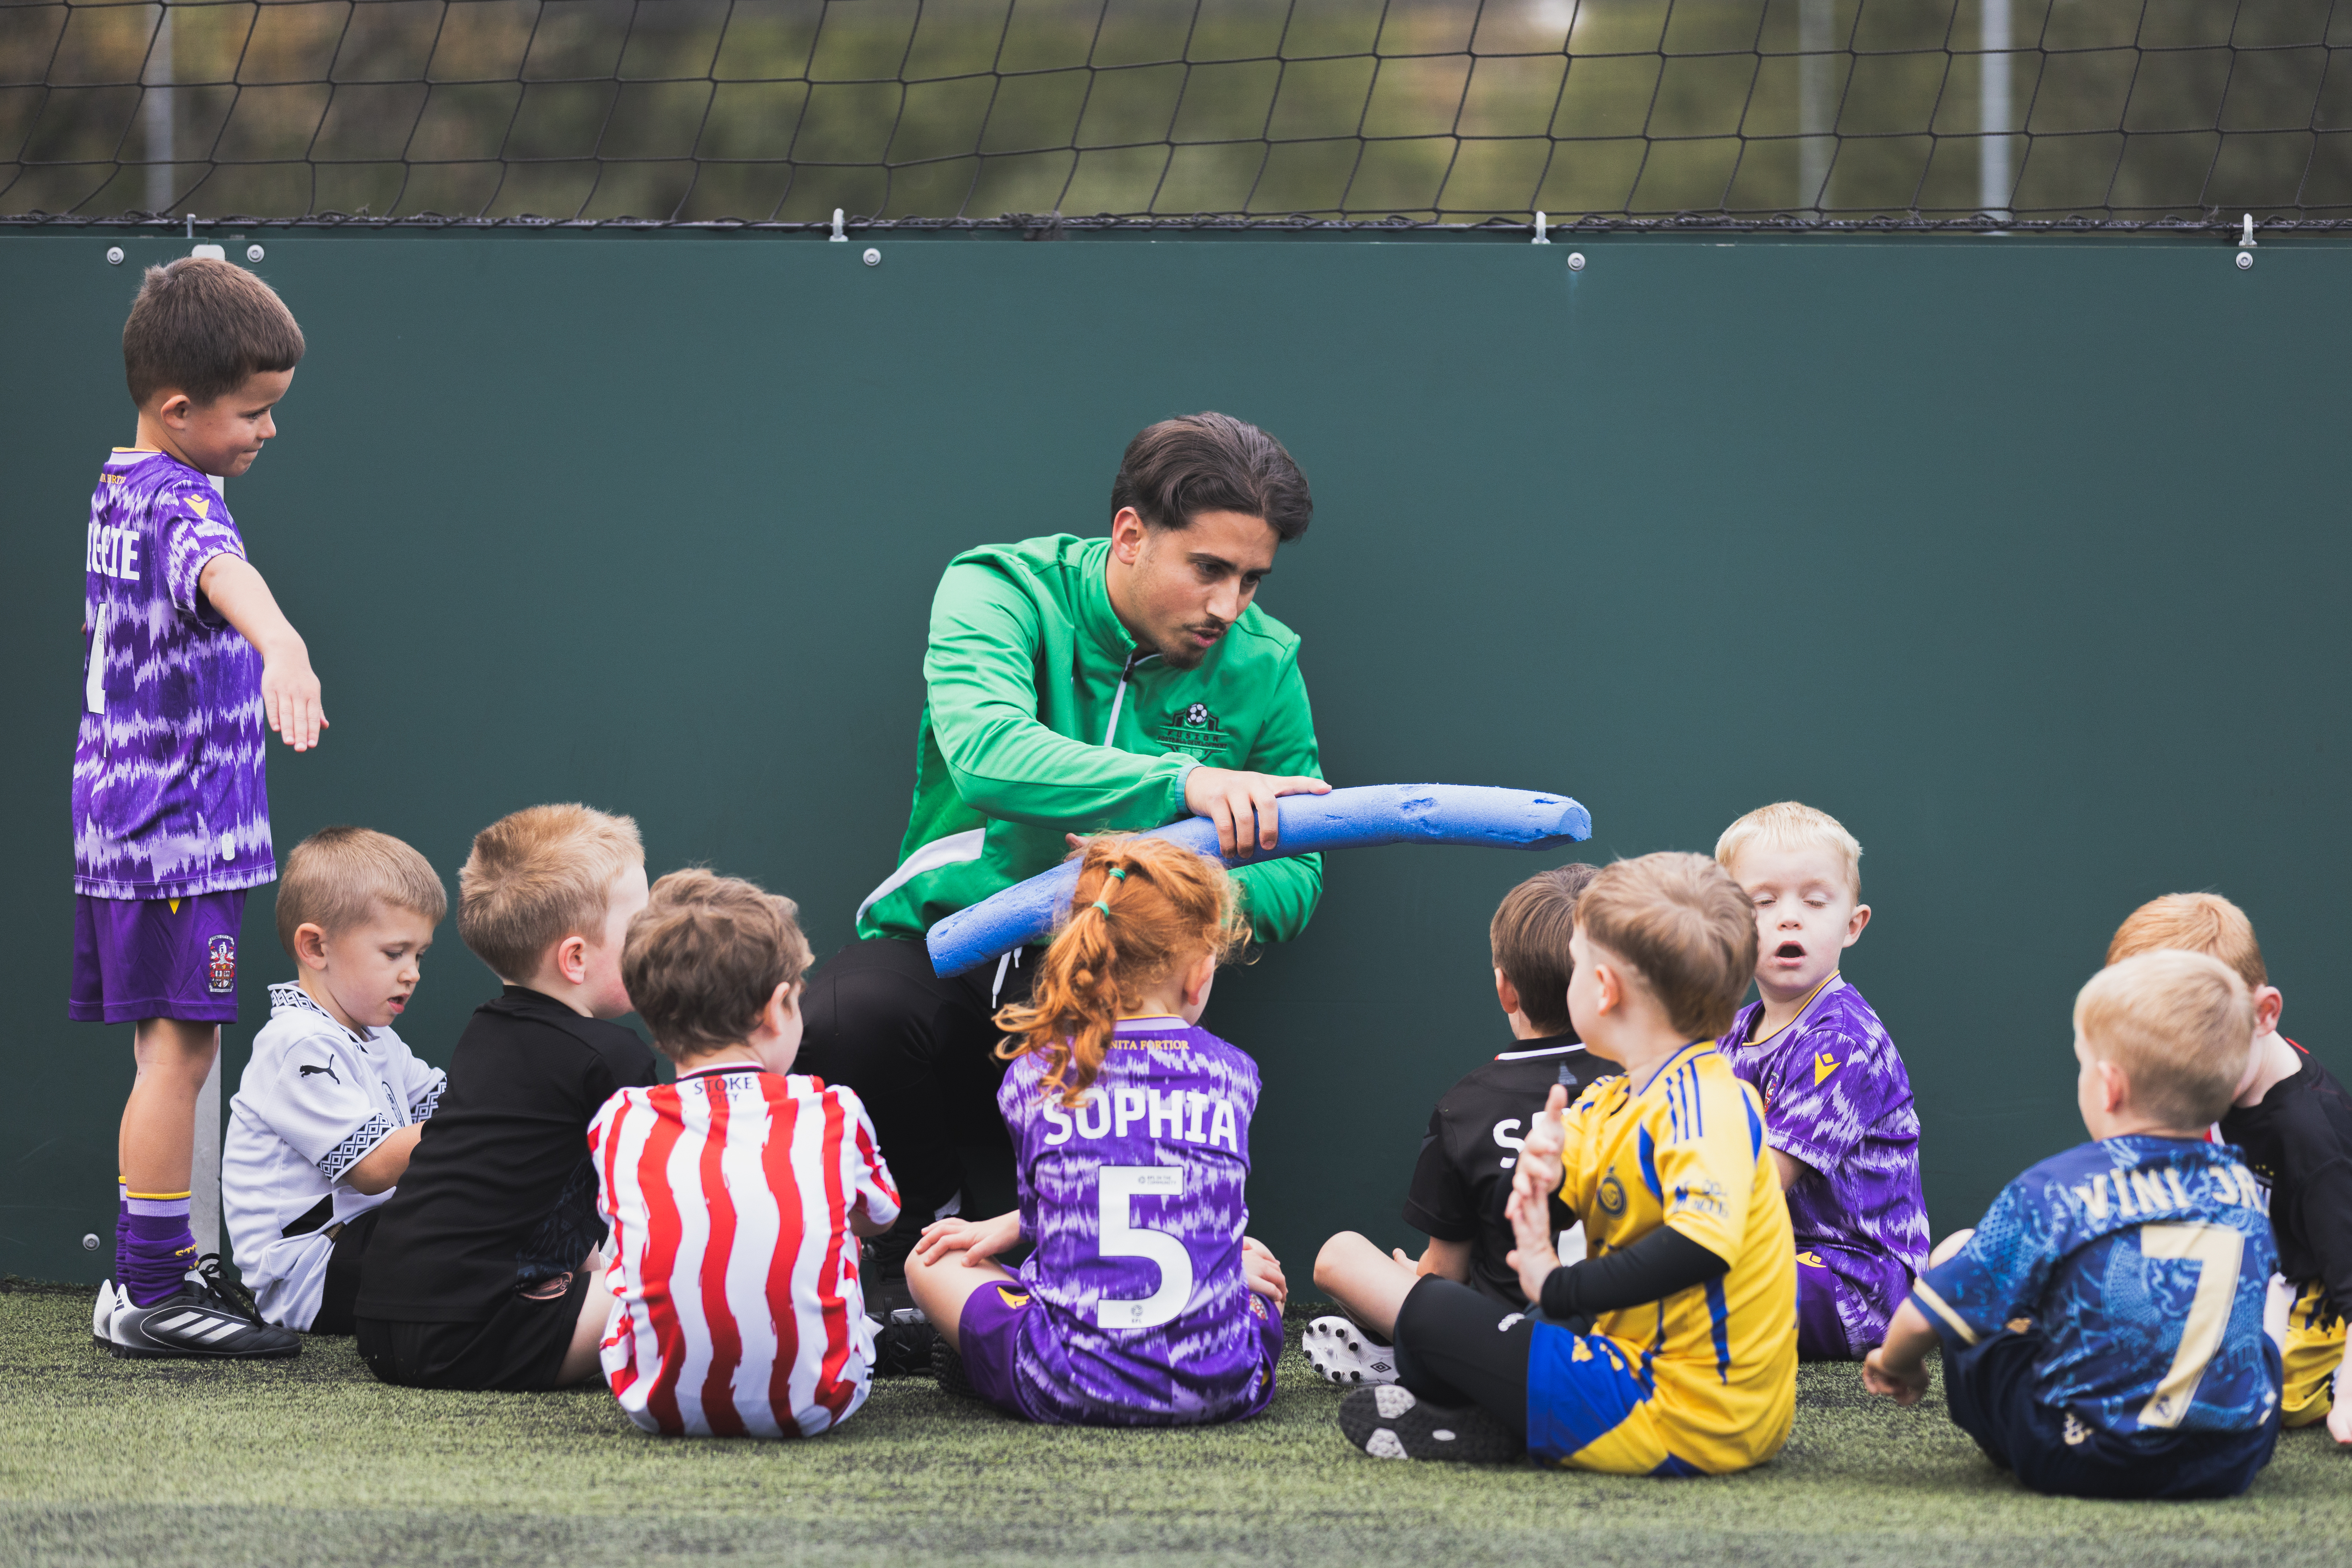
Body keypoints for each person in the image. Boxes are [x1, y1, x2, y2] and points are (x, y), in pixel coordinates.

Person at [799, 413, 1333, 1288]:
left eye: (1252, 580)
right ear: (1130, 534)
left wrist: (1164, 887)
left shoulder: (1265, 664)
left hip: (1124, 994)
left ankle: (1059, 1262)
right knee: (846, 1018)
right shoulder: (1000, 588)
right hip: (954, 951)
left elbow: (1299, 871)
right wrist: (1180, 789)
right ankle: (916, 1250)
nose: (1228, 609)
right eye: (1209, 569)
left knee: (1100, 1236)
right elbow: (987, 752)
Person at [1339, 852, 1797, 1474]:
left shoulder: (1705, 1100)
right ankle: (1498, 1421)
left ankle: (1504, 1414)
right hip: (1636, 1375)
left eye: (1578, 965)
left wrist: (1559, 1285)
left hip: (1690, 1418)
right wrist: (1538, 1183)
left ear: (1603, 990)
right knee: (1464, 1320)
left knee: (1432, 1311)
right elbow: (1543, 1208)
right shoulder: (1610, 1099)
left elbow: (1702, 1244)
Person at [79, 256, 323, 1360]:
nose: (268, 431)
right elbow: (228, 576)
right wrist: (284, 643)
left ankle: (153, 1270)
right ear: (178, 412)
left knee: (164, 1054)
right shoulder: (181, 504)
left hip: (133, 825)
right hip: (176, 834)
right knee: (178, 1056)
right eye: (252, 412)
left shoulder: (125, 479)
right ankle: (151, 1290)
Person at [1864, 950, 2283, 1499]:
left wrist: (1896, 1365)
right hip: (2231, 1460)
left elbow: (1926, 1319)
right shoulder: (2245, 1191)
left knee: (1965, 1289)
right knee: (2266, 1313)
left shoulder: (2054, 1189)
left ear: (2107, 1086)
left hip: (2078, 1455)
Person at [903, 836, 1289, 1426]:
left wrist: (1000, 1228)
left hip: (1062, 1386)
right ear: (1199, 974)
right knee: (1251, 1258)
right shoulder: (1234, 1074)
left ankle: (986, 1358)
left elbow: (1049, 1227)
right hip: (1227, 1385)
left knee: (927, 1264)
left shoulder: (1034, 1074)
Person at [352, 805, 656, 1391]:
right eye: (641, 928)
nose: (657, 941)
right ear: (575, 958)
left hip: (382, 1327)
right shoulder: (611, 1059)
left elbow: (539, 1205)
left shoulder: (485, 1033)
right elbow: (653, 1205)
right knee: (691, 1280)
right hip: (482, 1330)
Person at [590, 870, 901, 1437]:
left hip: (655, 1405)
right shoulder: (831, 1108)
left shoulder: (618, 1121)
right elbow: (881, 1217)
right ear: (778, 1006)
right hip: (817, 1405)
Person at [1304, 865, 1603, 1384]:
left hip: (1503, 1338)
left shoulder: (1468, 1105)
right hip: (1640, 1327)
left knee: (1341, 1255)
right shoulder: (1657, 1082)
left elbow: (1447, 1272)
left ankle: (1424, 1356)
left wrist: (1411, 1278)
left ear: (1504, 989)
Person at [2104, 892, 2352, 1448]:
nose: (2177, 1072)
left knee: (2239, 1391)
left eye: (2199, 1044)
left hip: (2312, 1306)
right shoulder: (2215, 1088)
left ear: (2263, 1015)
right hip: (2244, 1270)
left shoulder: (2311, 1139)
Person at [1712, 801, 1928, 1360]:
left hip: (1852, 1280)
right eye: (1763, 902)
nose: (1789, 917)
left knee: (1683, 1293)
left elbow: (1755, 1182)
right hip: (1762, 1250)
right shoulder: (1730, 1033)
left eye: (1814, 901)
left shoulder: (1842, 1039)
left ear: (1852, 924)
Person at [221, 828, 448, 1334]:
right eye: (395, 953)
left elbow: (444, 1103)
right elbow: (371, 1169)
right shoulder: (298, 1043)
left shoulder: (375, 1037)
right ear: (316, 947)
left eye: (420, 956)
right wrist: (489, 1118)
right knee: (462, 1217)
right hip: (312, 1277)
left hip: (367, 1245)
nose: (412, 973)